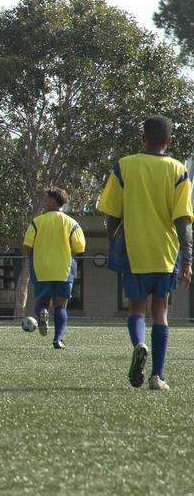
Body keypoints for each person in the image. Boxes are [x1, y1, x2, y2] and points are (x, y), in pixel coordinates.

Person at [97, 116, 193, 390]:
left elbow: (112, 216)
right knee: (160, 312)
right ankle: (157, 376)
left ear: (143, 139)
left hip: (133, 251)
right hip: (164, 253)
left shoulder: (124, 166)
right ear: (169, 140)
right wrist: (187, 260)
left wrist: (114, 243)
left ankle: (139, 343)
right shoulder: (178, 170)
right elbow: (183, 222)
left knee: (136, 310)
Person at [22, 186, 86, 349]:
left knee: (42, 301)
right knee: (61, 305)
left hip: (42, 267)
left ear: (53, 201)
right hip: (63, 269)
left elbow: (27, 245)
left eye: (46, 198)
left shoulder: (37, 222)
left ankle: (42, 314)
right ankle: (58, 339)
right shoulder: (71, 223)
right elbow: (79, 247)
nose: (44, 201)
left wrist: (33, 258)